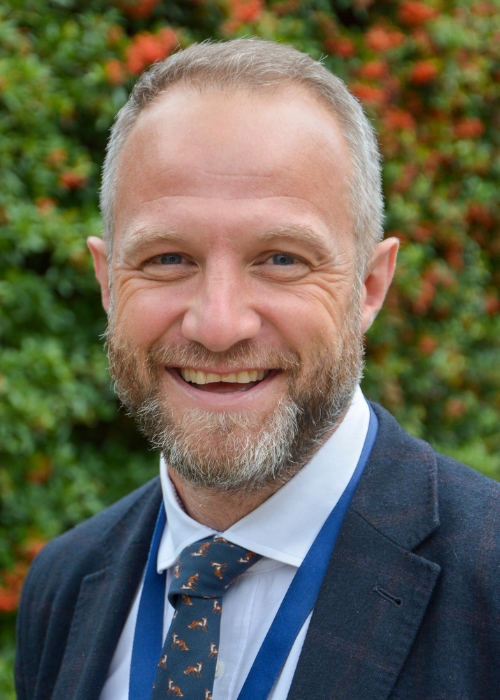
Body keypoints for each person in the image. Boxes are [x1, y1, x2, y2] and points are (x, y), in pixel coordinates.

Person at [15, 39, 500, 700]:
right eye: (166, 259)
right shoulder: (64, 585)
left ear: (371, 286)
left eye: (280, 259)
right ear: (108, 283)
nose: (217, 325)